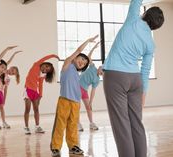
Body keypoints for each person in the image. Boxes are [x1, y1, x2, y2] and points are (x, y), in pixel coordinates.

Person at [100, 0, 164, 156]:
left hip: (116, 77)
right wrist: (143, 94)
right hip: (136, 81)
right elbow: (146, 70)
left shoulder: (133, 20)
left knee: (121, 125)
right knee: (136, 123)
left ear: (144, 14)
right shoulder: (150, 43)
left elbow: (136, 1)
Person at [50, 36, 98, 156]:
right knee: (60, 124)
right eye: (81, 59)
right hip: (64, 101)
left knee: (73, 125)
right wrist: (87, 41)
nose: (82, 62)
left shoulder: (77, 74)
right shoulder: (67, 65)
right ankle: (56, 147)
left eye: (84, 63)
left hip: (76, 103)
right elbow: (78, 50)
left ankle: (73, 146)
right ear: (75, 58)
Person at [24, 54, 59, 134]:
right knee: (27, 109)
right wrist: (53, 56)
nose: (45, 69)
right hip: (27, 90)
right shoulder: (36, 65)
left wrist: (40, 95)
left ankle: (37, 127)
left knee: (36, 109)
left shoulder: (42, 75)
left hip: (34, 92)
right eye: (46, 66)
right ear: (43, 64)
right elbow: (44, 58)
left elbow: (40, 85)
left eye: (47, 70)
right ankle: (26, 127)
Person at [0, 51, 22, 129]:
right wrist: (14, 54)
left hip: (0, 92)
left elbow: (5, 89)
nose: (11, 73)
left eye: (13, 73)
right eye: (12, 71)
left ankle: (4, 122)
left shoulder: (8, 79)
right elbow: (8, 61)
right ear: (10, 67)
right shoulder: (2, 70)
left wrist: (4, 100)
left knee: (1, 107)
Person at [78, 40, 100, 131]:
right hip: (77, 86)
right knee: (77, 107)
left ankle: (91, 123)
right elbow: (89, 57)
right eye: (101, 67)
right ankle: (78, 124)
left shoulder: (97, 80)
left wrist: (91, 102)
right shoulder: (93, 67)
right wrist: (94, 48)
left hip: (84, 90)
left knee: (88, 107)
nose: (101, 69)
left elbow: (93, 91)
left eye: (103, 70)